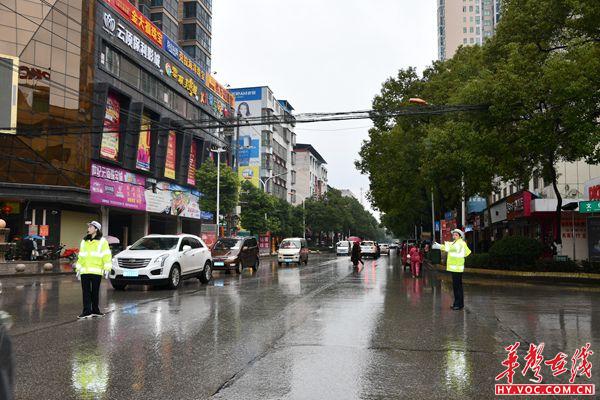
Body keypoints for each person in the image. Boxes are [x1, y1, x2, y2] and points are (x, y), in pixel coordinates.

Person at [75, 221, 112, 319]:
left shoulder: (102, 241)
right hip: (85, 271)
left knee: (95, 292)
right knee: (85, 292)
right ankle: (87, 311)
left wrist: (107, 268)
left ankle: (95, 310)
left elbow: (106, 255)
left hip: (96, 271)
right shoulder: (84, 241)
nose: (89, 228)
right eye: (89, 227)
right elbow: (81, 256)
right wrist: (78, 268)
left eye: (91, 227)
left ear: (96, 229)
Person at [437, 229, 471, 310]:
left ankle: (458, 305)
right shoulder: (457, 242)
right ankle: (459, 303)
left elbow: (451, 248)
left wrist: (439, 246)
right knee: (457, 287)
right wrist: (440, 246)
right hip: (456, 268)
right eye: (454, 235)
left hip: (457, 268)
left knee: (457, 287)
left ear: (460, 236)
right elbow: (449, 247)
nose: (454, 236)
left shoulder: (460, 243)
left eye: (456, 235)